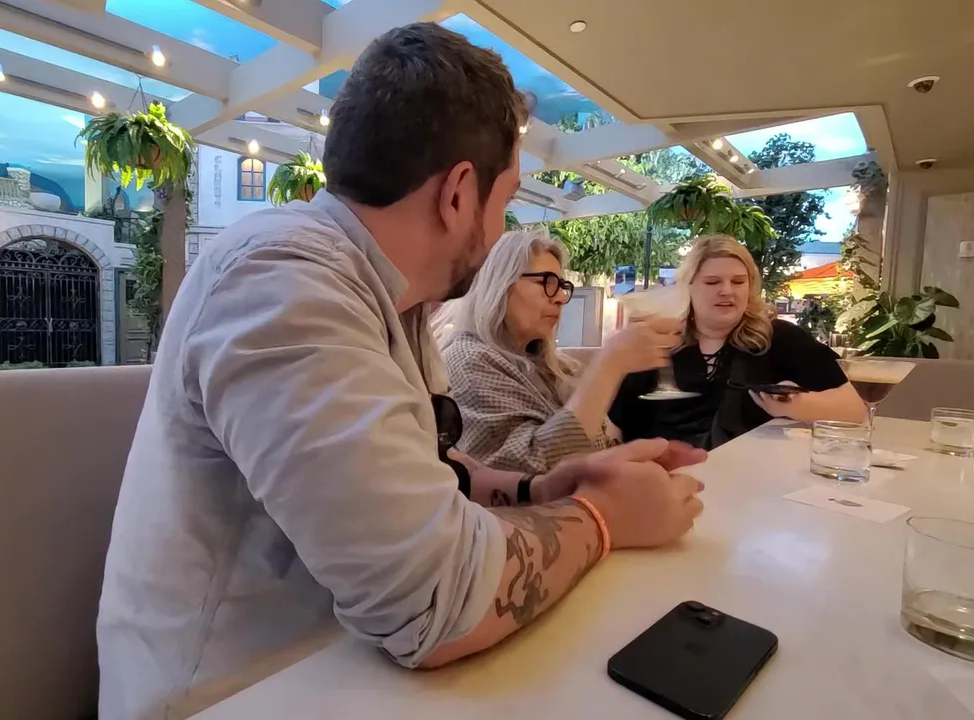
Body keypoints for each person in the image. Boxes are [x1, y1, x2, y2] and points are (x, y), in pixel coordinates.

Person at [96, 23, 706, 720]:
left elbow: (422, 470)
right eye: (506, 200)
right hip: (232, 694)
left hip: (345, 671)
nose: (502, 230)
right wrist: (603, 518)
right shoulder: (282, 283)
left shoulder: (387, 298)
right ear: (458, 194)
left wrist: (541, 487)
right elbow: (435, 606)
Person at [440, 228, 682, 473]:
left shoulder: (549, 367)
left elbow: (594, 450)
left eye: (561, 286)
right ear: (499, 284)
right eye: (546, 282)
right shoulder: (467, 360)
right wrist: (610, 365)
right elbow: (528, 469)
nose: (560, 298)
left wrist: (644, 457)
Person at [609, 234, 866, 449]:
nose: (727, 290)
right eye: (712, 282)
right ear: (688, 287)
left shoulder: (781, 338)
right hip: (662, 478)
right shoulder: (660, 342)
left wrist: (794, 405)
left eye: (738, 281)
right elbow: (615, 426)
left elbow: (854, 411)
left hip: (750, 481)